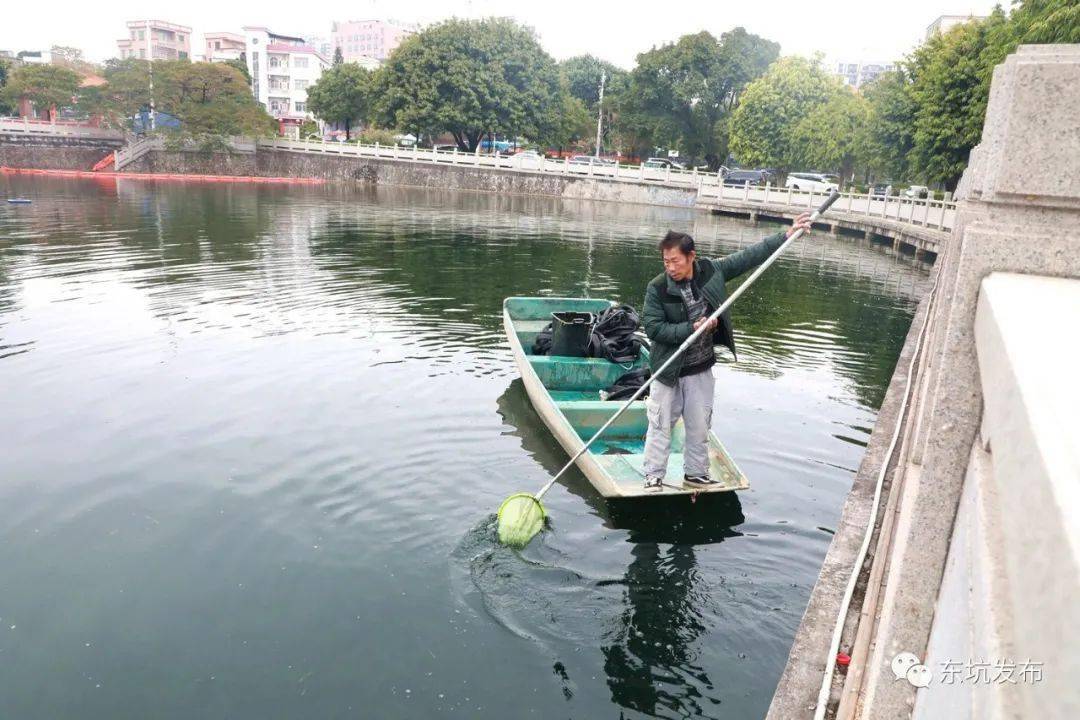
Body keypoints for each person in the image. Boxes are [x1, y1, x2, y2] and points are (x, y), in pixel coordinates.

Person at [640, 213, 813, 491]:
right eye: (666, 262)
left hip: (700, 368)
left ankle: (696, 474)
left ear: (691, 256)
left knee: (699, 425)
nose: (670, 267)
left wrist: (786, 236)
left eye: (675, 261)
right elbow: (653, 329)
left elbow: (748, 257)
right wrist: (692, 328)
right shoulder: (657, 288)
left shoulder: (711, 271)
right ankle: (653, 475)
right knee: (660, 425)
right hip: (668, 370)